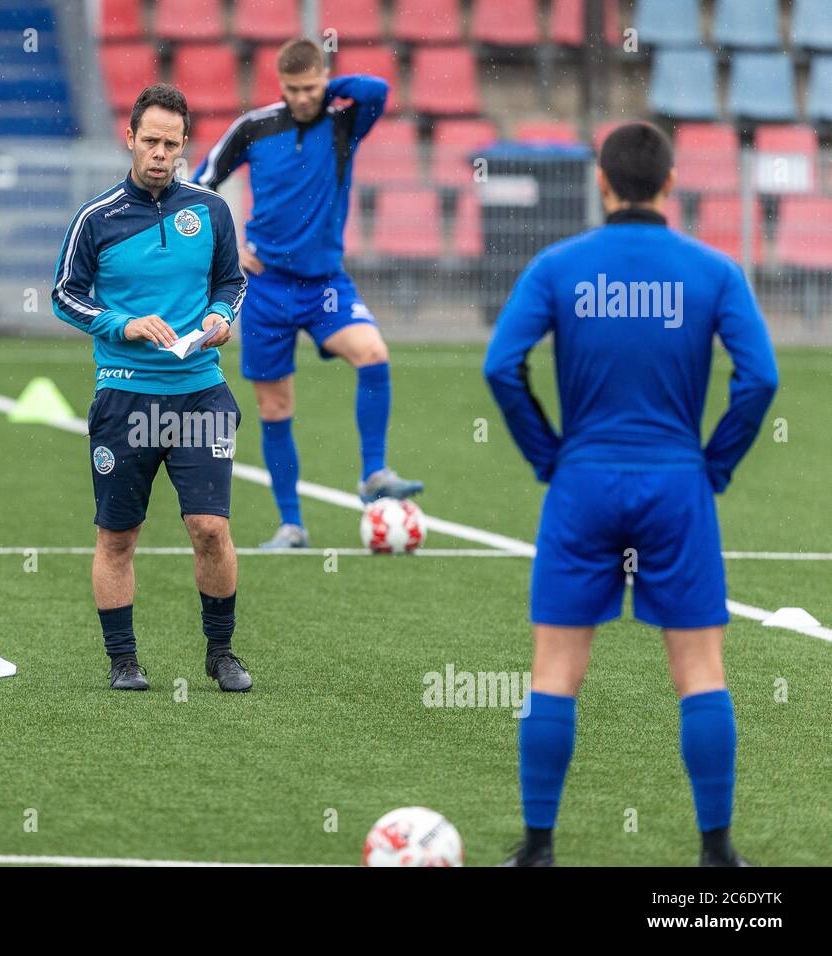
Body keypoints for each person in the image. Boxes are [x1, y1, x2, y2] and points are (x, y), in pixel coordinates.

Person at [483, 122, 779, 867]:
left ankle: (539, 849)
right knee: (701, 671)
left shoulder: (559, 266)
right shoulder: (713, 271)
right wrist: (715, 462)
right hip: (678, 485)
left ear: (602, 184)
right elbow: (761, 378)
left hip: (582, 483)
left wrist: (548, 453)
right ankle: (717, 854)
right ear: (671, 185)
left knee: (555, 671)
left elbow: (501, 365)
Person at [52, 84, 252, 693]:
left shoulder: (211, 210)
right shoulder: (97, 217)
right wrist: (122, 323)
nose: (161, 153)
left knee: (211, 529)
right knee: (118, 536)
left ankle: (221, 654)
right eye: (151, 141)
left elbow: (231, 282)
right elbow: (65, 294)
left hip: (198, 392)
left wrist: (222, 319)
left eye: (172, 143)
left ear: (185, 144)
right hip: (126, 396)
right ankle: (123, 661)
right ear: (130, 139)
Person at [193, 37, 423, 549]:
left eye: (311, 86)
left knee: (373, 353)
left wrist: (330, 89)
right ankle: (292, 525)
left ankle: (373, 474)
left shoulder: (344, 123)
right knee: (275, 409)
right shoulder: (253, 128)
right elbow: (199, 184)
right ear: (281, 85)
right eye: (294, 89)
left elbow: (378, 90)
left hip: (324, 285)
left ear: (324, 79)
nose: (302, 98)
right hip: (266, 289)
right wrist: (227, 246)